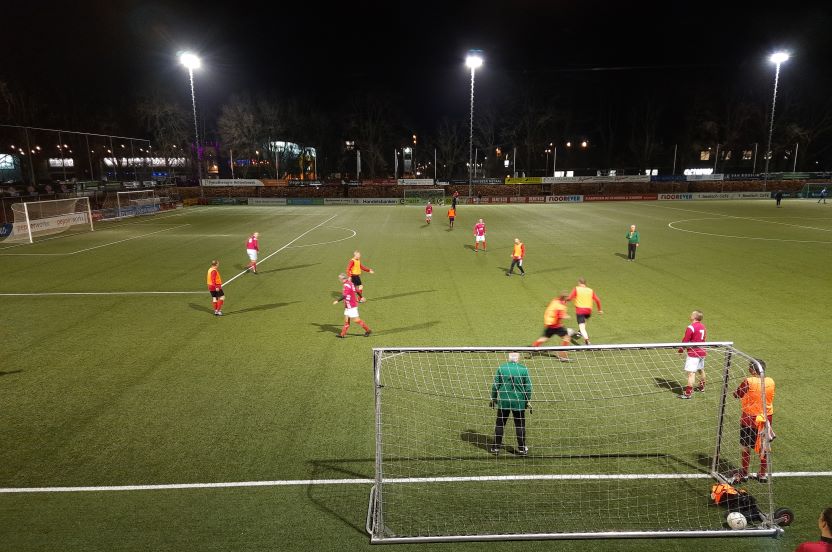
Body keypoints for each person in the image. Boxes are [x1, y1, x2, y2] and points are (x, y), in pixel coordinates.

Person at [731, 359, 775, 483]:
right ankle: (762, 474)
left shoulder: (748, 381)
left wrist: (734, 392)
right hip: (766, 419)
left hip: (749, 418)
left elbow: (737, 394)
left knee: (745, 447)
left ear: (752, 370)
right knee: (764, 447)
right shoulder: (771, 381)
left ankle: (744, 473)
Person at [489, 352, 532, 456]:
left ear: (508, 358)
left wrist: (494, 398)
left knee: (500, 424)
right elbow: (528, 388)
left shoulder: (501, 368)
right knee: (520, 425)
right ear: (518, 358)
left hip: (504, 401)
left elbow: (495, 386)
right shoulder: (523, 369)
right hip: (519, 402)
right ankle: (521, 449)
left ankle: (495, 448)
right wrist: (527, 401)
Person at [531, 291, 579, 359]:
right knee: (567, 338)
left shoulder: (555, 301)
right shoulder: (561, 307)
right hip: (556, 325)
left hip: (549, 324)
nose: (568, 300)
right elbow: (559, 315)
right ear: (564, 299)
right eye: (567, 299)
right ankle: (562, 356)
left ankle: (532, 349)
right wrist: (565, 316)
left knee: (544, 338)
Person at [677, 310, 706, 399]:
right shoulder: (703, 327)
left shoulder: (691, 327)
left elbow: (685, 340)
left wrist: (681, 349)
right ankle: (702, 387)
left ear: (694, 317)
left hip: (693, 353)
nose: (690, 315)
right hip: (702, 351)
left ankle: (688, 393)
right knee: (701, 369)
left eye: (692, 314)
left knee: (691, 373)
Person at [332, 273, 372, 338]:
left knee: (357, 320)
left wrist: (337, 301)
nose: (339, 280)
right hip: (348, 306)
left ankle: (368, 330)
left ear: (343, 279)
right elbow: (357, 290)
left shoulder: (346, 285)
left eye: (339, 279)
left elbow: (345, 295)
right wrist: (361, 297)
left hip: (351, 306)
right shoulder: (351, 283)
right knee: (346, 321)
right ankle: (342, 334)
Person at [566, 277, 603, 344]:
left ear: (579, 283)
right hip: (588, 311)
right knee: (583, 326)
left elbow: (570, 298)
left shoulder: (577, 289)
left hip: (580, 311)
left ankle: (587, 340)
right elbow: (598, 300)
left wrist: (564, 300)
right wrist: (599, 310)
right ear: (585, 284)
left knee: (582, 327)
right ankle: (577, 335)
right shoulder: (590, 290)